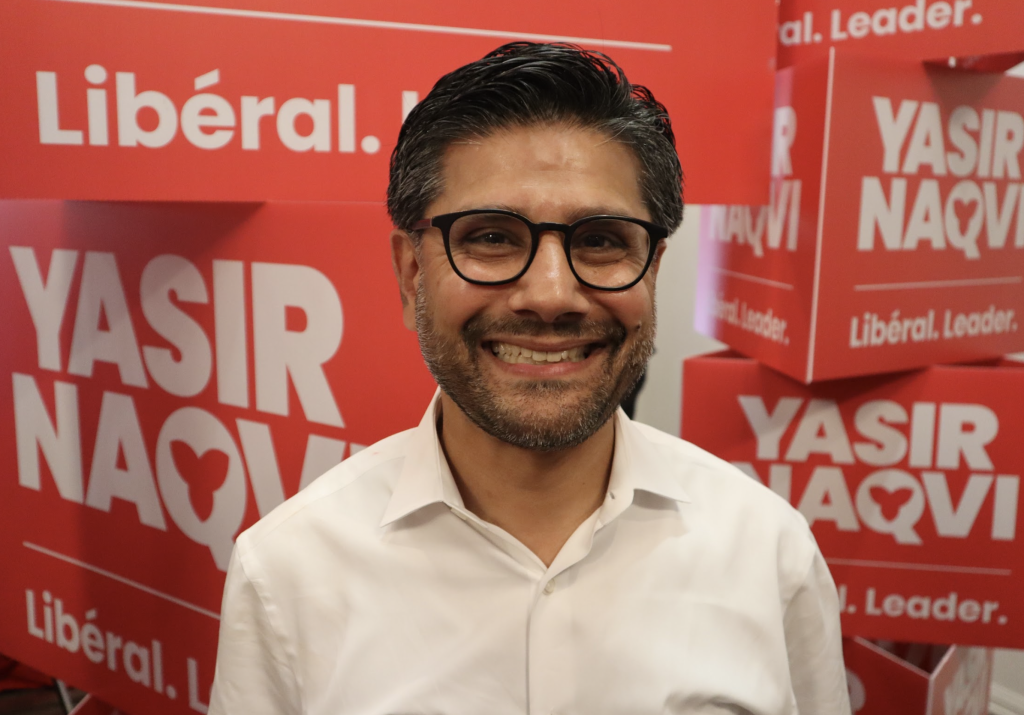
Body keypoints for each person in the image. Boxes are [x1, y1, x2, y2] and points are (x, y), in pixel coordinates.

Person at [208, 42, 851, 715]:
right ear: (412, 273)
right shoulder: (286, 575)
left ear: (652, 270)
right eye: (490, 237)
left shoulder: (768, 553)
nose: (550, 294)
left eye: (601, 239)